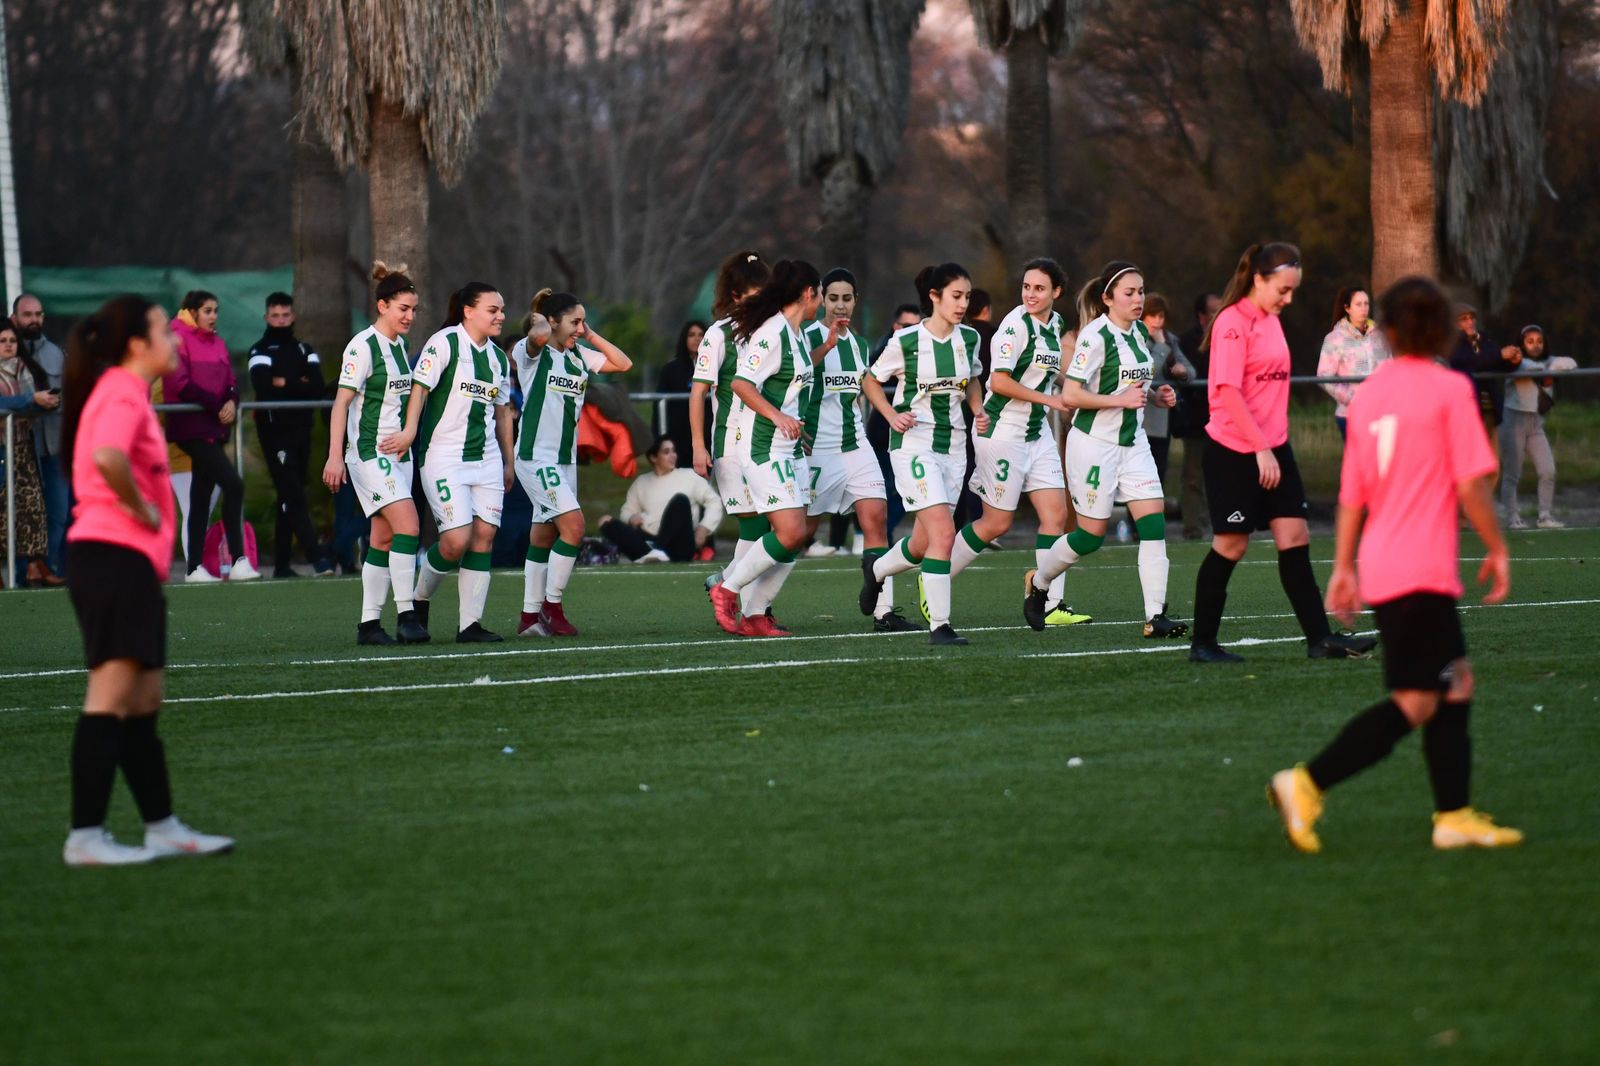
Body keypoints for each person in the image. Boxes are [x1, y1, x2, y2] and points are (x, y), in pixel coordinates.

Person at [1269, 276, 1521, 854]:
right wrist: (1498, 547)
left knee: (1454, 682)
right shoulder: (1447, 389)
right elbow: (1471, 485)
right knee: (1417, 699)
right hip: (1420, 570)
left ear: (1387, 329)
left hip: (1386, 563)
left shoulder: (1372, 393)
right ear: (1439, 328)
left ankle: (1453, 815)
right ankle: (1306, 782)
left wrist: (1343, 567)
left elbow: (1354, 493)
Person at [58, 294, 234, 866]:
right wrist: (142, 509)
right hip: (111, 557)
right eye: (164, 330)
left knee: (143, 699)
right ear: (137, 343)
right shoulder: (119, 390)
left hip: (130, 564)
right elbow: (109, 456)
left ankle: (161, 826)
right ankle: (85, 837)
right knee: (110, 697)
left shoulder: (129, 392)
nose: (176, 339)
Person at [1188, 243, 1376, 664]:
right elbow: (1228, 393)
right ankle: (1202, 644)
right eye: (1283, 289)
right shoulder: (1232, 324)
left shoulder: (1272, 321)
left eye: (1293, 291)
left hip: (1273, 448)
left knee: (1295, 536)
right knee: (1231, 545)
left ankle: (1320, 640)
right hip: (1235, 450)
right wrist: (1260, 450)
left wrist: (1273, 447)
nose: (1288, 299)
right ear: (1258, 279)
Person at [1021, 262, 1187, 639]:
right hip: (1093, 446)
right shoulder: (1095, 336)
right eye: (1129, 293)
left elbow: (1132, 389)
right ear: (1108, 299)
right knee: (1090, 536)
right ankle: (1040, 583)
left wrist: (1155, 396)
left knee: (1154, 525)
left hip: (1133, 444)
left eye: (1141, 291)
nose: (1138, 299)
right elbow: (1072, 394)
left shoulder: (1140, 333)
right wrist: (1120, 401)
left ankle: (1155, 615)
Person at [947, 258, 1085, 628]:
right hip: (1002, 430)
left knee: (1057, 516)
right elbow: (1001, 382)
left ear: (1056, 292)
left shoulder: (1055, 325)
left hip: (1035, 432)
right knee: (996, 523)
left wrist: (1072, 391)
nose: (1030, 294)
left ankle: (1048, 601)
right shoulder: (1014, 324)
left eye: (1039, 288)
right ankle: (936, 581)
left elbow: (1049, 378)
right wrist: (1051, 399)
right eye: (1026, 287)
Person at [858, 263, 988, 647]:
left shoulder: (970, 339)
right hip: (913, 445)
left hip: (954, 447)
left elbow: (974, 378)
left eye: (967, 296)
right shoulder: (907, 341)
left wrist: (978, 409)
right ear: (935, 296)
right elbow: (870, 379)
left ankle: (878, 570)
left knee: (920, 545)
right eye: (956, 296)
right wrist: (890, 414)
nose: (963, 303)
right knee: (945, 535)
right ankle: (940, 626)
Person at [382, 283, 514, 643]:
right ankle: (418, 599)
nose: (501, 315)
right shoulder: (445, 343)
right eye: (493, 309)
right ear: (469, 311)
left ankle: (469, 625)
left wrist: (508, 461)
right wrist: (410, 431)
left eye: (501, 309)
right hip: (443, 457)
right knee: (456, 540)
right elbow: (420, 390)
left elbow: (502, 413)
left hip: (485, 460)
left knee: (484, 536)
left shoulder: (499, 359)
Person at [706, 260, 820, 637]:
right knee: (787, 532)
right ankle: (727, 587)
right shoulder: (773, 332)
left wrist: (794, 424)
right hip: (761, 447)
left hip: (787, 447)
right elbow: (742, 384)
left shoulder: (797, 332)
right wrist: (777, 418)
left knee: (797, 534)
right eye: (820, 293)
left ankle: (756, 615)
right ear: (809, 293)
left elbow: (788, 387)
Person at [513, 287, 633, 637]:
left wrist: (588, 333)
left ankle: (528, 617)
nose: (580, 328)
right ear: (552, 322)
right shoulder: (530, 353)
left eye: (583, 321)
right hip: (536, 457)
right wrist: (542, 319)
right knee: (575, 528)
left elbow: (623, 364)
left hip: (564, 461)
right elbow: (535, 336)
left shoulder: (578, 354)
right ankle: (552, 607)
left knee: (543, 535)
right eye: (574, 321)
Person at [322, 263, 430, 646]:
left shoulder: (399, 347)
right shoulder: (362, 346)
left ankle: (369, 625)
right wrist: (335, 457)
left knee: (383, 538)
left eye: (414, 309)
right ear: (382, 306)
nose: (410, 316)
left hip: (399, 456)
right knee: (410, 527)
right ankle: (407, 616)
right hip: (369, 454)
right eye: (403, 308)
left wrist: (406, 436)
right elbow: (340, 405)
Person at [800, 267, 911, 632]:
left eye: (847, 298)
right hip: (815, 449)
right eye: (833, 298)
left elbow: (866, 386)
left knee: (876, 516)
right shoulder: (806, 337)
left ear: (855, 301)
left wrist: (891, 414)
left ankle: (884, 610)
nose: (840, 305)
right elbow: (790, 378)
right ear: (820, 300)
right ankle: (748, 593)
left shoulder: (859, 344)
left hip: (854, 444)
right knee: (798, 533)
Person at [690, 250, 774, 615]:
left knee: (771, 526)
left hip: (768, 443)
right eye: (753, 294)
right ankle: (745, 603)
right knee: (753, 525)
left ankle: (730, 586)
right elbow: (698, 392)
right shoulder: (719, 335)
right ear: (736, 295)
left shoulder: (773, 332)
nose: (761, 300)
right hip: (731, 444)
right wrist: (697, 445)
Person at [163, 290, 257, 583]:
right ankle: (239, 559)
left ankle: (193, 568)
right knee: (234, 484)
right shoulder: (176, 340)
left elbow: (231, 382)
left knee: (201, 497)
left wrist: (231, 400)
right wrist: (219, 405)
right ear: (190, 312)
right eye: (207, 310)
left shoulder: (218, 343)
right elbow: (179, 384)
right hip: (190, 428)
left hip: (213, 428)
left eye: (216, 310)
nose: (213, 316)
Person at [249, 292, 334, 578]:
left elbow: (317, 387)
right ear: (266, 318)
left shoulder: (304, 349)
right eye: (275, 315)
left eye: (285, 315)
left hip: (302, 430)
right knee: (293, 495)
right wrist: (298, 382)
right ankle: (318, 558)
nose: (281, 320)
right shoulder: (259, 350)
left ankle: (282, 566)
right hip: (274, 433)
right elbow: (263, 386)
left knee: (291, 493)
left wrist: (284, 382)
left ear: (293, 316)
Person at [0, 321, 60, 586]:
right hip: (2, 449)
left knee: (32, 508)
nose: (9, 345)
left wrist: (44, 403)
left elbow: (26, 402)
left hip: (23, 448)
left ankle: (34, 567)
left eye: (12, 341)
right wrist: (30, 401)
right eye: (3, 341)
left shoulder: (25, 369)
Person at [12, 294, 68, 579]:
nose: (34, 320)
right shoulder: (7, 352)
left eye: (38, 314)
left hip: (54, 446)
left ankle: (45, 568)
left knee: (58, 512)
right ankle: (22, 574)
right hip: (19, 448)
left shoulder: (56, 354)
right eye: (27, 314)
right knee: (23, 515)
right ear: (14, 318)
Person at [1499, 325, 1575, 529]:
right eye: (1530, 341)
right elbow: (1529, 367)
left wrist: (1555, 367)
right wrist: (1547, 370)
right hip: (1513, 420)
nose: (1535, 345)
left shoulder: (1548, 361)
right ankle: (1512, 517)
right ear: (1522, 343)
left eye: (1539, 341)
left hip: (1536, 423)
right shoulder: (1514, 362)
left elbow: (1568, 363)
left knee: (1548, 469)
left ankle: (1544, 515)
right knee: (1512, 473)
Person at [601, 436, 723, 562]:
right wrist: (631, 518)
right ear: (654, 458)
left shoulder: (689, 476)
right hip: (649, 538)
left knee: (680, 501)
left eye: (673, 451)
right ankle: (652, 553)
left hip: (680, 545)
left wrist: (704, 528)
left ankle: (656, 551)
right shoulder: (642, 482)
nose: (673, 455)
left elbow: (714, 501)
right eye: (666, 452)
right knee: (606, 522)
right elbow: (626, 511)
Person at [868, 303, 925, 540]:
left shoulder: (923, 348)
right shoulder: (888, 348)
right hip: (882, 433)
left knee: (906, 492)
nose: (910, 330)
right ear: (895, 326)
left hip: (909, 433)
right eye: (905, 325)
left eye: (915, 326)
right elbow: (870, 376)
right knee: (880, 490)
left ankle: (884, 532)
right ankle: (875, 535)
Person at [1315, 286, 1388, 440]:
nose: (1363, 308)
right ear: (1347, 308)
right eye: (1358, 304)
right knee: (1360, 463)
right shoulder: (1335, 339)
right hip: (1350, 415)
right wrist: (1353, 399)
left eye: (1366, 303)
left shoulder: (1379, 336)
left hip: (1381, 413)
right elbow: (1323, 377)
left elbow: (1390, 366)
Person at [1174, 292, 1219, 540]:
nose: (1218, 315)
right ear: (1202, 316)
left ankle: (1219, 523)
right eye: (1213, 311)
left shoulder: (1229, 337)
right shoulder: (1187, 342)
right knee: (1193, 476)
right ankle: (1192, 528)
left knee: (1220, 474)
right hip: (1196, 419)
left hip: (1224, 419)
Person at [1140, 292, 1196, 485]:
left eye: (1161, 316)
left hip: (1162, 420)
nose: (1157, 321)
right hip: (1140, 418)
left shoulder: (1169, 339)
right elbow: (1147, 373)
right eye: (1152, 315)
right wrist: (1161, 347)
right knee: (1139, 478)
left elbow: (1191, 371)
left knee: (1157, 474)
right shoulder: (1135, 340)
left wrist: (1182, 372)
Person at [1448, 304, 1519, 432]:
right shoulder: (1451, 343)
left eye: (1472, 318)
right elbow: (1468, 361)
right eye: (1464, 319)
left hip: (1490, 408)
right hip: (1467, 409)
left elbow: (1494, 364)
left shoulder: (1484, 339)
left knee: (1492, 451)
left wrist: (1512, 361)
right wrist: (1499, 355)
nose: (1470, 322)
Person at [656, 320, 706, 461]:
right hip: (678, 438)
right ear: (684, 339)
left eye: (701, 335)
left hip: (707, 436)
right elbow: (659, 406)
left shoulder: (715, 369)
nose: (697, 338)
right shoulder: (670, 370)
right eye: (691, 335)